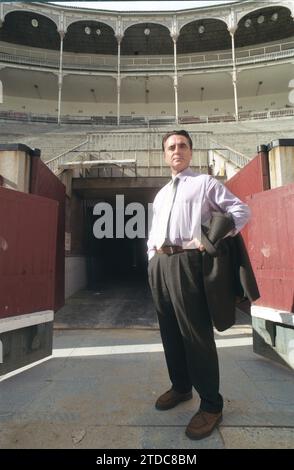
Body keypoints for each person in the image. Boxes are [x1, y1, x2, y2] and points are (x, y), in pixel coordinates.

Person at [147, 129, 255, 440]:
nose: (176, 150)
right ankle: (181, 387)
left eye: (182, 145)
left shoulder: (204, 183)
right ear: (165, 154)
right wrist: (150, 257)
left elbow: (241, 211)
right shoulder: (161, 194)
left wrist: (208, 239)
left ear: (190, 151)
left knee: (196, 335)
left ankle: (211, 404)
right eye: (171, 147)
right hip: (160, 265)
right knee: (169, 331)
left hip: (188, 261)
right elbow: (155, 229)